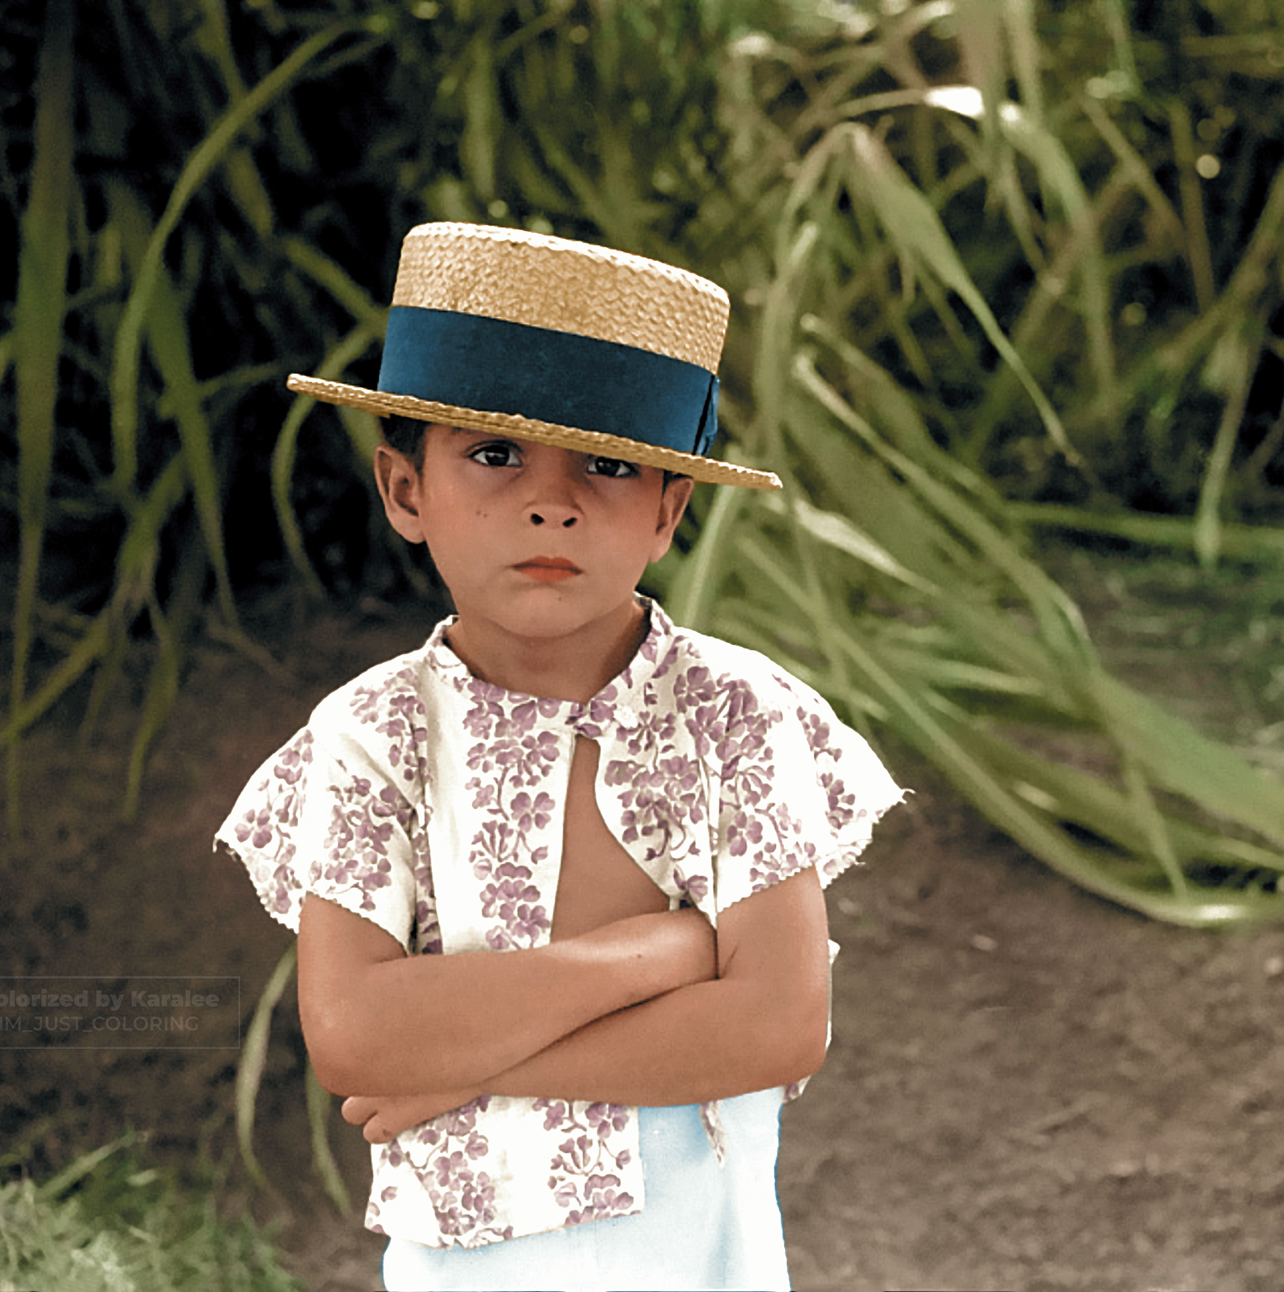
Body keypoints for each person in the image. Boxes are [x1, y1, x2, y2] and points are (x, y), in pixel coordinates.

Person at [216, 222, 905, 1291]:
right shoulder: (371, 735)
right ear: (406, 491)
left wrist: (460, 1058)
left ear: (670, 507)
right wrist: (669, 951)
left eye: (609, 463)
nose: (554, 500)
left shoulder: (737, 716)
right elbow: (356, 1037)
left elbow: (779, 1023)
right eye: (495, 455)